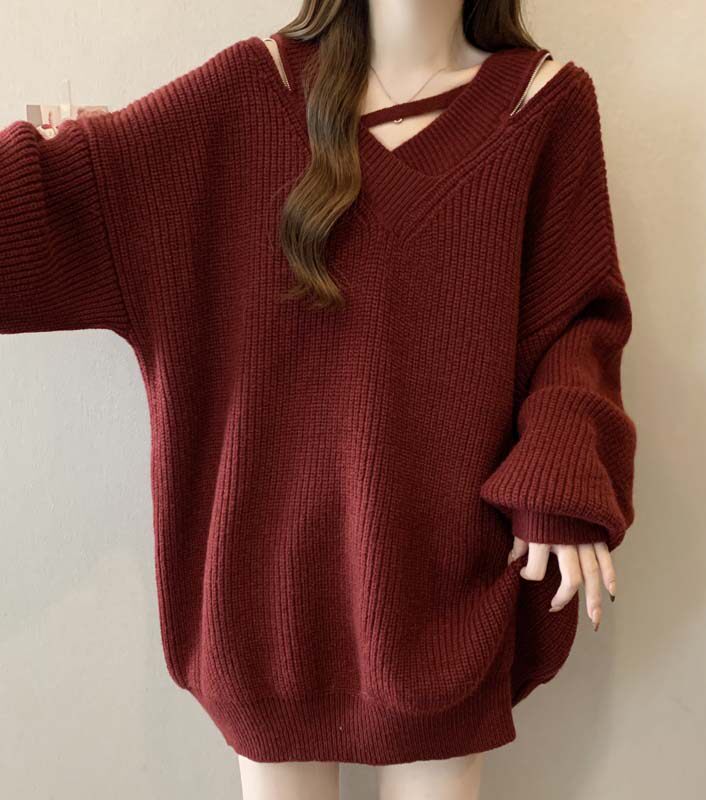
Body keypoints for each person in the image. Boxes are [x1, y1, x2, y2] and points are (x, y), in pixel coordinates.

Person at [0, 1, 636, 797]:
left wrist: (562, 465)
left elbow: (579, 326)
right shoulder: (247, 90)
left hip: (445, 600)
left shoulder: (544, 103)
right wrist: (82, 154)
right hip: (263, 608)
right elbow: (44, 219)